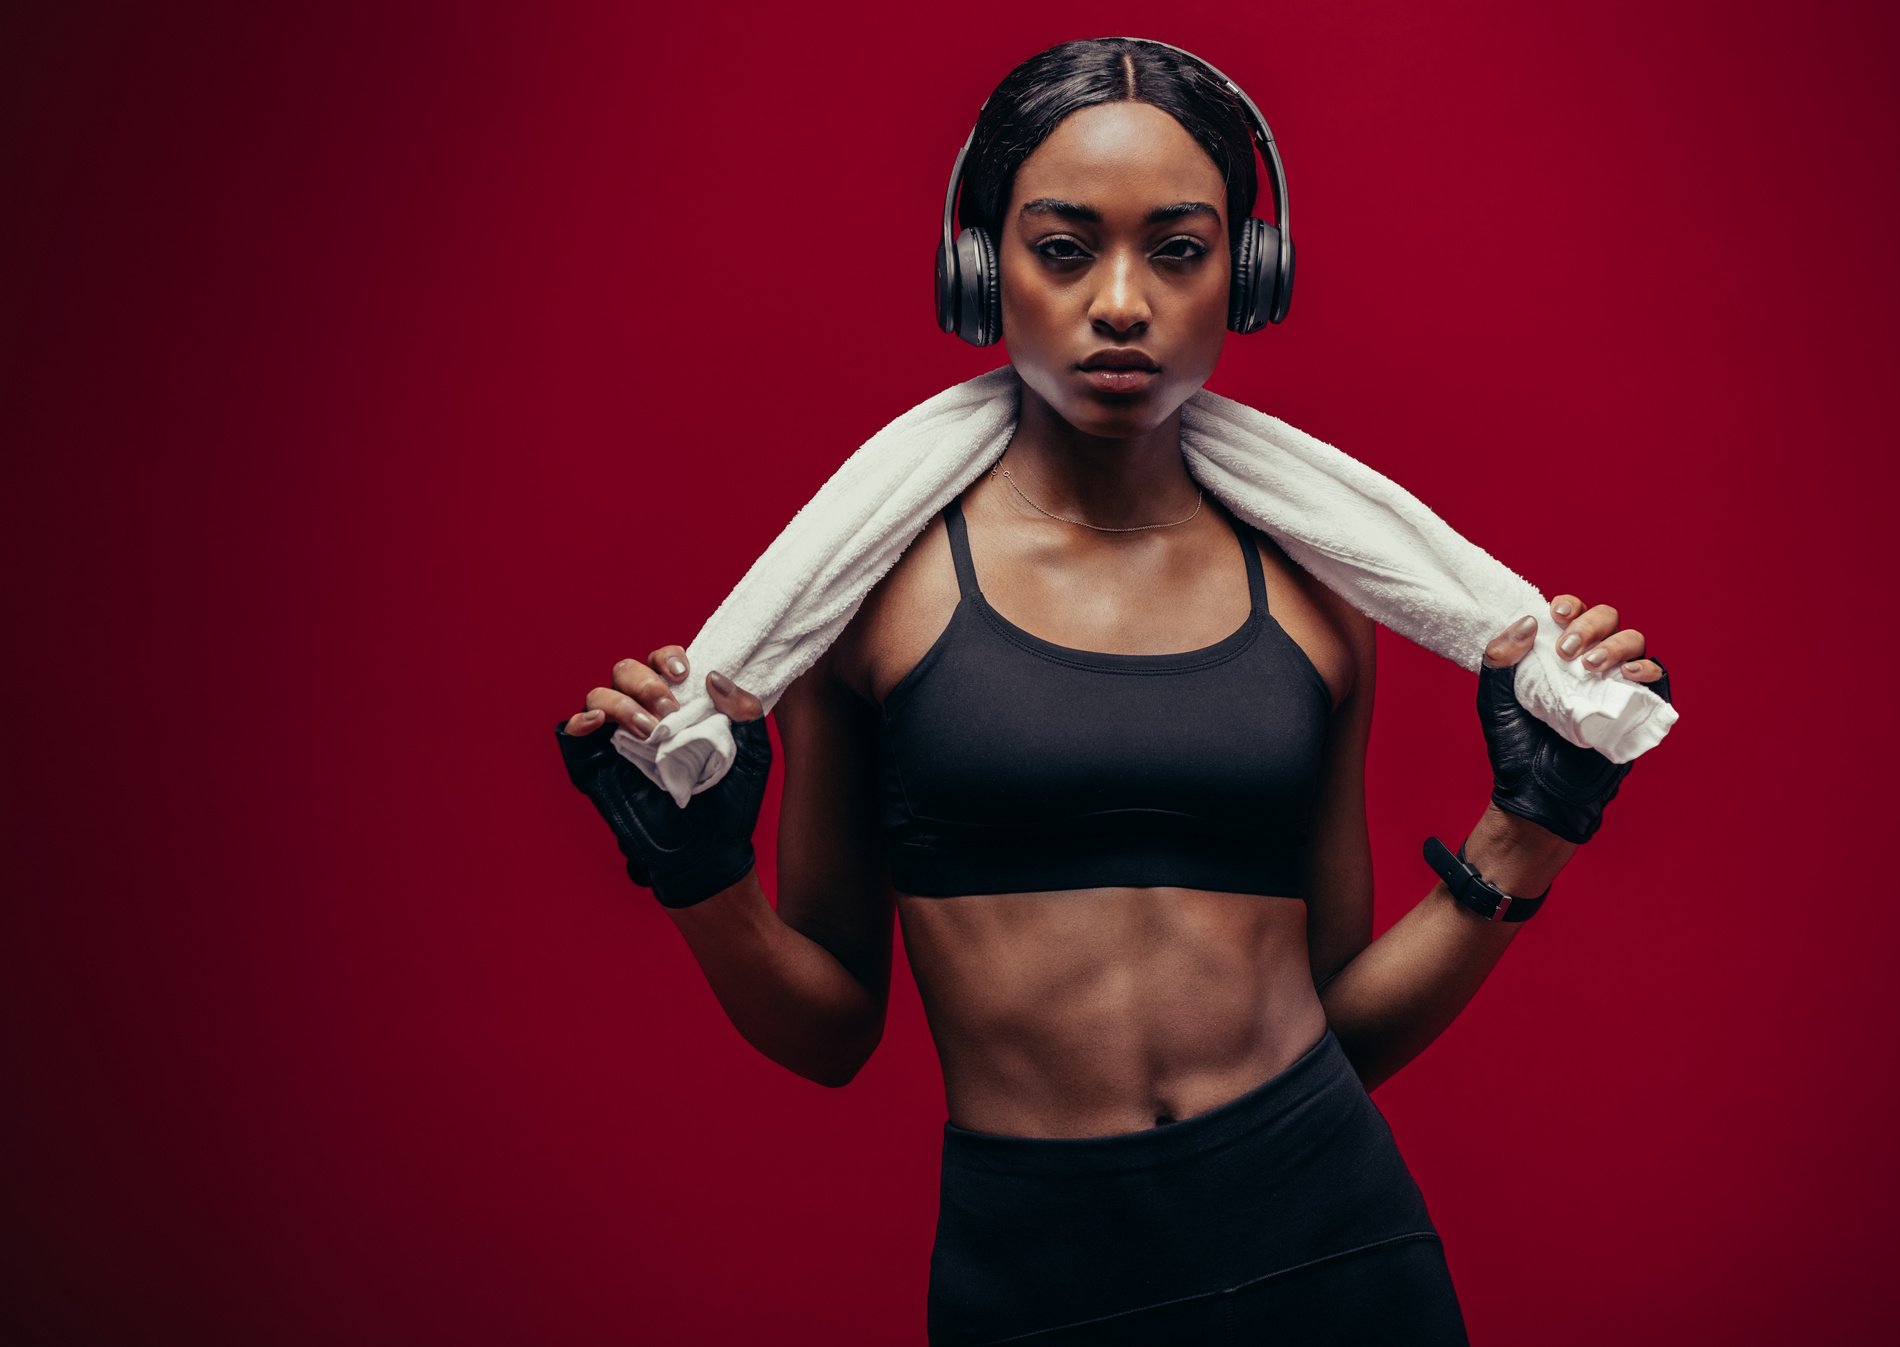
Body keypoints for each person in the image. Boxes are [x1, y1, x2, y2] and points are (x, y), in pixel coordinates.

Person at [554, 36, 1671, 1347]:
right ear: (982, 271)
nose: (1123, 303)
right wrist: (700, 883)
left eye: (1180, 249)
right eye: (1066, 247)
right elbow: (831, 1030)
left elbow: (1340, 1020)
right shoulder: (862, 601)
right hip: (1036, 1276)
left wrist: (1525, 836)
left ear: (1245, 276)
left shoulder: (1318, 597)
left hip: (1331, 1245)